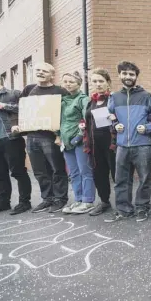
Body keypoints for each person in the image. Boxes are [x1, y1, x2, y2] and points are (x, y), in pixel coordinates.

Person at [12, 62, 69, 213]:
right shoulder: (29, 89)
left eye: (45, 71)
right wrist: (17, 125)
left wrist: (60, 135)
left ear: (52, 75)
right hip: (32, 136)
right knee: (40, 171)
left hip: (51, 137)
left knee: (57, 169)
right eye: (38, 70)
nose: (40, 72)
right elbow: (21, 110)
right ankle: (47, 199)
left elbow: (67, 114)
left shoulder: (60, 91)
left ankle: (60, 199)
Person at [105, 61, 151, 222]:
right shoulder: (114, 97)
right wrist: (115, 125)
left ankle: (142, 208)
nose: (128, 77)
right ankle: (124, 209)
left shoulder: (146, 96)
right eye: (125, 73)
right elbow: (109, 119)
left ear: (136, 76)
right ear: (119, 75)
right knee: (121, 180)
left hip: (142, 144)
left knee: (144, 178)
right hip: (122, 145)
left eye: (131, 74)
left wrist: (147, 127)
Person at [0, 66, 32, 215]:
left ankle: (25, 202)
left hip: (11, 139)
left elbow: (27, 110)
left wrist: (5, 106)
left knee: (18, 171)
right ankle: (3, 203)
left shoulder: (13, 94)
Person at [59, 72, 95, 214]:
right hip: (66, 142)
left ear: (79, 84)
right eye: (65, 81)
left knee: (84, 171)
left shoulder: (83, 99)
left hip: (80, 142)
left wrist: (79, 136)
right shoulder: (62, 101)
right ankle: (78, 199)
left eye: (71, 82)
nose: (68, 84)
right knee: (73, 173)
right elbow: (59, 121)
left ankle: (88, 201)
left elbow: (88, 119)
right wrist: (59, 137)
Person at [84, 68, 117, 216]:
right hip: (95, 145)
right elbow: (87, 121)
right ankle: (104, 202)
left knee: (118, 175)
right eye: (95, 81)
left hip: (112, 144)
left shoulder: (114, 99)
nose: (98, 84)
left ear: (108, 82)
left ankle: (124, 203)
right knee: (99, 174)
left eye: (101, 81)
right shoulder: (91, 101)